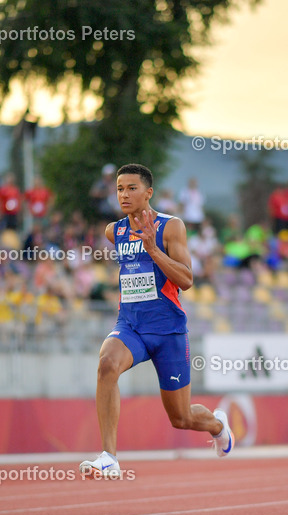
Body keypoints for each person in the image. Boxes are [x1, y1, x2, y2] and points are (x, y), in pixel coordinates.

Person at [79, 164, 234, 478]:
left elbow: (188, 279)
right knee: (107, 364)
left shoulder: (171, 227)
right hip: (131, 326)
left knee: (181, 418)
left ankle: (218, 425)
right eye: (120, 188)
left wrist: (153, 250)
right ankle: (109, 456)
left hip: (168, 332)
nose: (124, 194)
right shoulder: (115, 231)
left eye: (132, 188)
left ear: (148, 193)